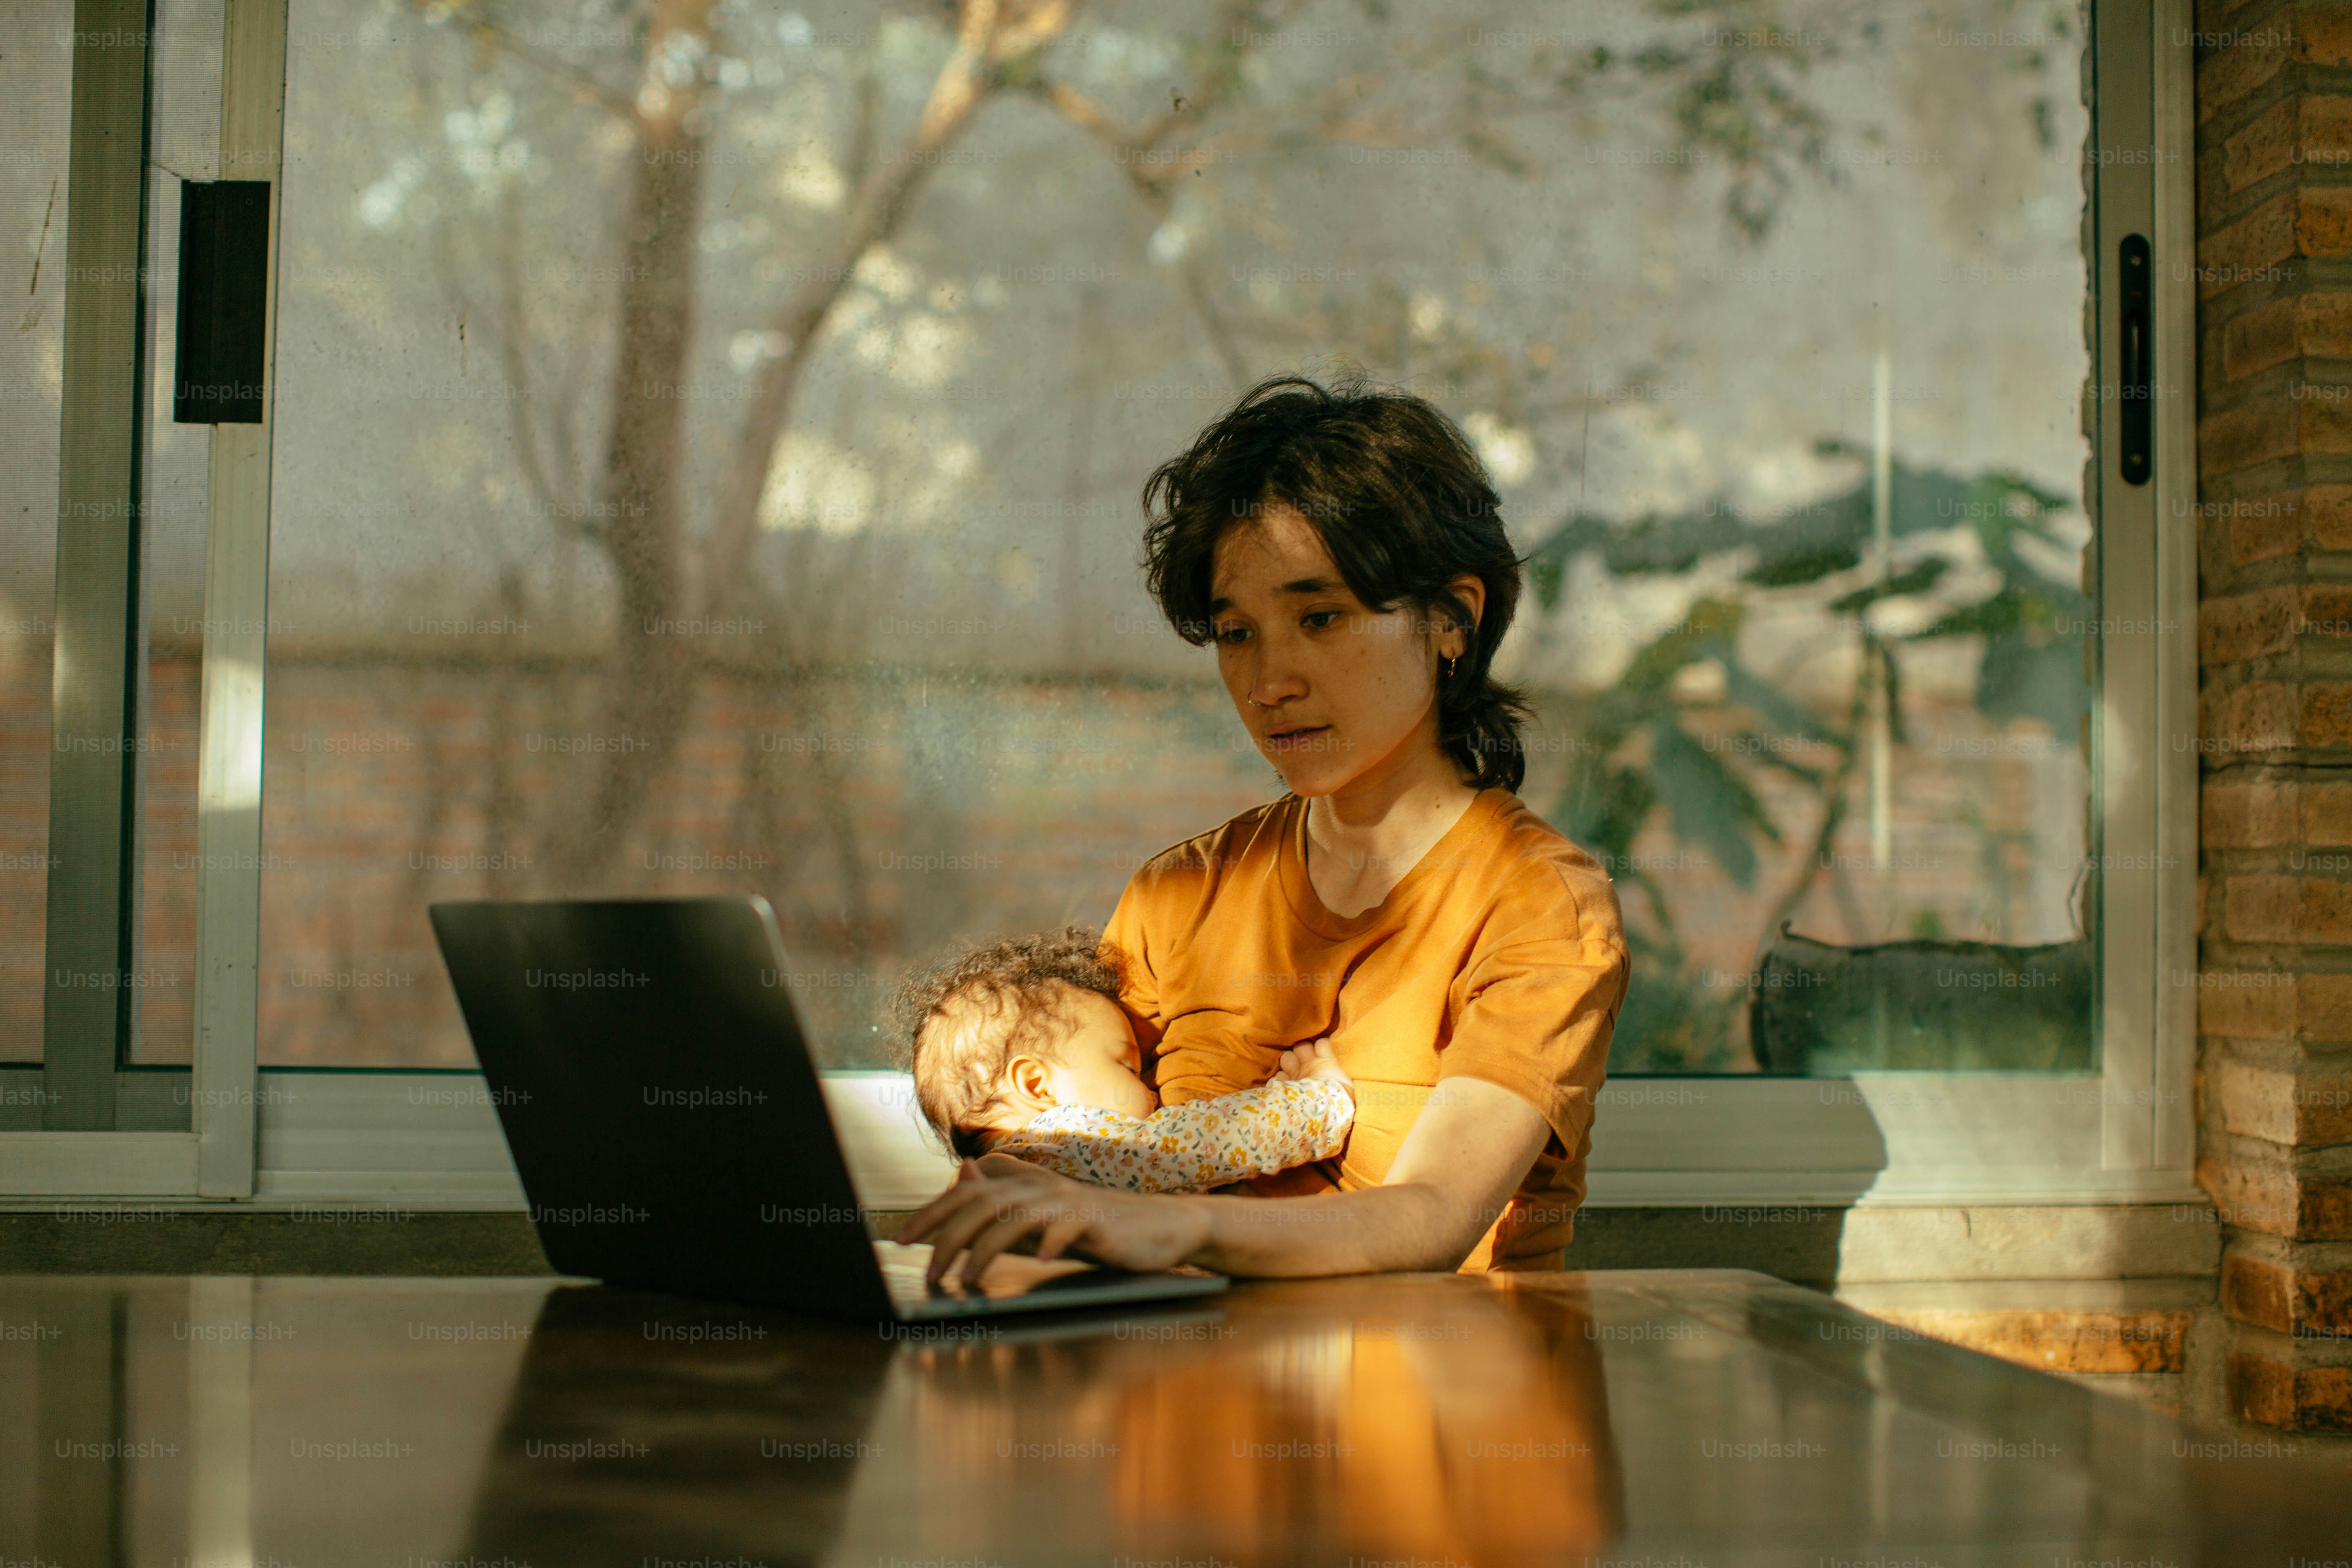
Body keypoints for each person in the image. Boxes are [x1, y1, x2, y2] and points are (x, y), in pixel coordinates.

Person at [896, 373, 1628, 1287]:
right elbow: (1109, 1155)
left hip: (1433, 1404)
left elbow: (1434, 1218)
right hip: (1190, 1399)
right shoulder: (1181, 893)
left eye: (1318, 618)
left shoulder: (1540, 906)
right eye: (1237, 634)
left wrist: (1181, 1230)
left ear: (1453, 620)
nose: (1269, 679)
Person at [893, 924, 1356, 1194]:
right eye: (1127, 1068)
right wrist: (1316, 1103)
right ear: (1037, 1086)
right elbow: (1201, 1143)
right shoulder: (1064, 1146)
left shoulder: (994, 1183)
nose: (1152, 1085)